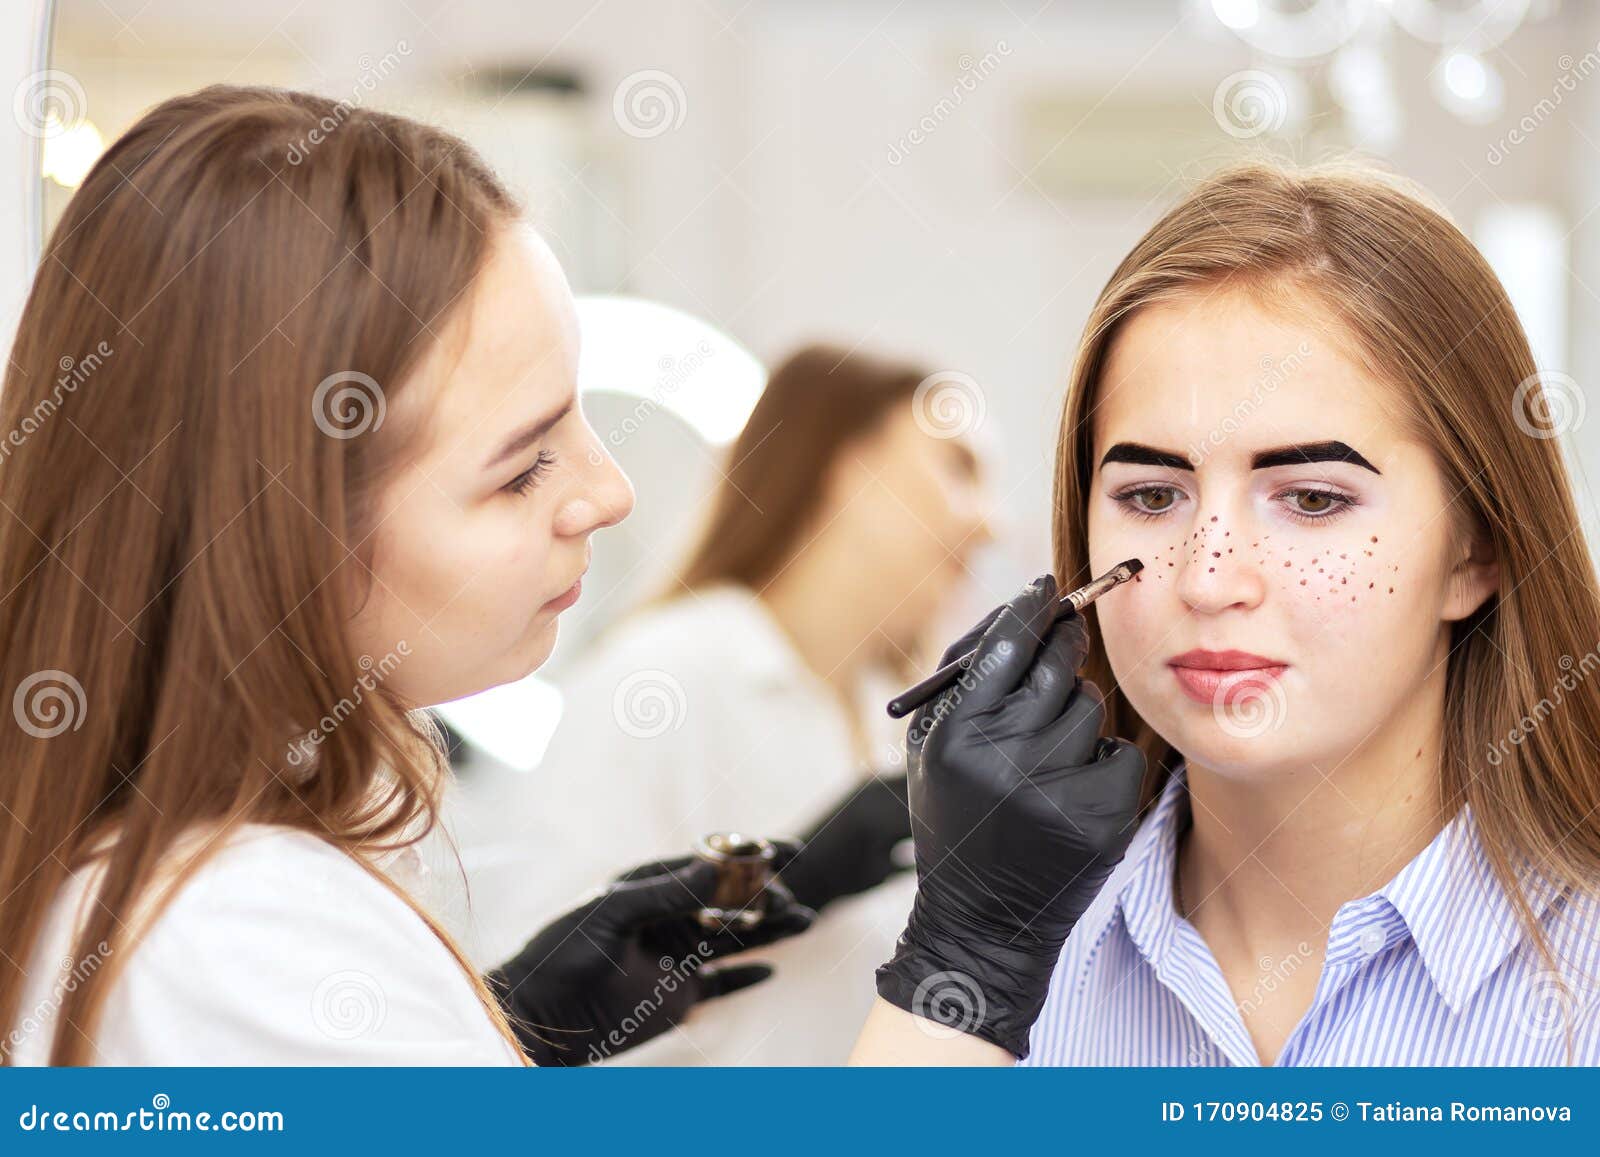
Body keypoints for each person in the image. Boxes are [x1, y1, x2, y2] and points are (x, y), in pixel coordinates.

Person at [0, 86, 815, 1066]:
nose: (610, 490)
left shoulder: (224, 915)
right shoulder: (238, 937)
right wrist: (967, 969)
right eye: (520, 470)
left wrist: (501, 1030)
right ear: (279, 543)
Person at [1008, 160, 1600, 1064]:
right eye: (1154, 496)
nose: (1207, 582)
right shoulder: (993, 975)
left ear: (1474, 551)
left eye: (1313, 500)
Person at [482, 344, 994, 1064]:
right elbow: (533, 1004)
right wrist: (779, 883)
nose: (990, 523)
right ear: (849, 470)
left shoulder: (900, 716)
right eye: (958, 470)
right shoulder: (660, 677)